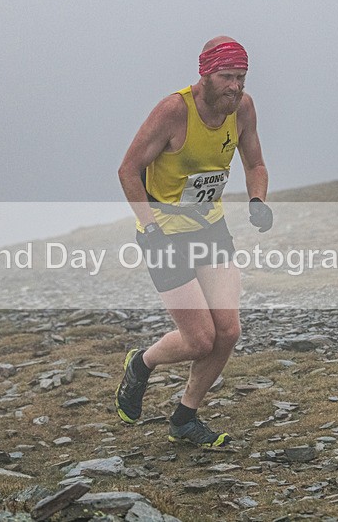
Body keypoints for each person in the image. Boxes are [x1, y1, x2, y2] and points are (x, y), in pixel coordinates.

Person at [115, 36, 273, 447]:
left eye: (241, 78)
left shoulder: (243, 108)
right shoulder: (173, 112)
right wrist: (149, 229)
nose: (234, 87)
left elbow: (254, 162)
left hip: (211, 231)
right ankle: (142, 363)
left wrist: (258, 200)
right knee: (199, 339)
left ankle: (185, 417)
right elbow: (128, 170)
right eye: (227, 77)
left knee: (228, 332)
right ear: (205, 73)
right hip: (163, 235)